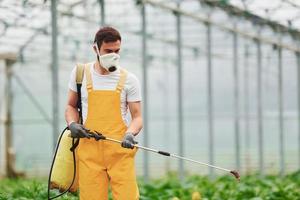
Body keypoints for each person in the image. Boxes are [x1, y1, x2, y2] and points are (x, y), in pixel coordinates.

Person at [65, 26, 143, 200]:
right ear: (96, 49)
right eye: (108, 51)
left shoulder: (129, 80)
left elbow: (137, 117)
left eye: (117, 51)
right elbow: (71, 106)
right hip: (90, 151)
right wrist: (72, 124)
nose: (113, 55)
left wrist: (130, 134)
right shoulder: (80, 74)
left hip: (119, 151)